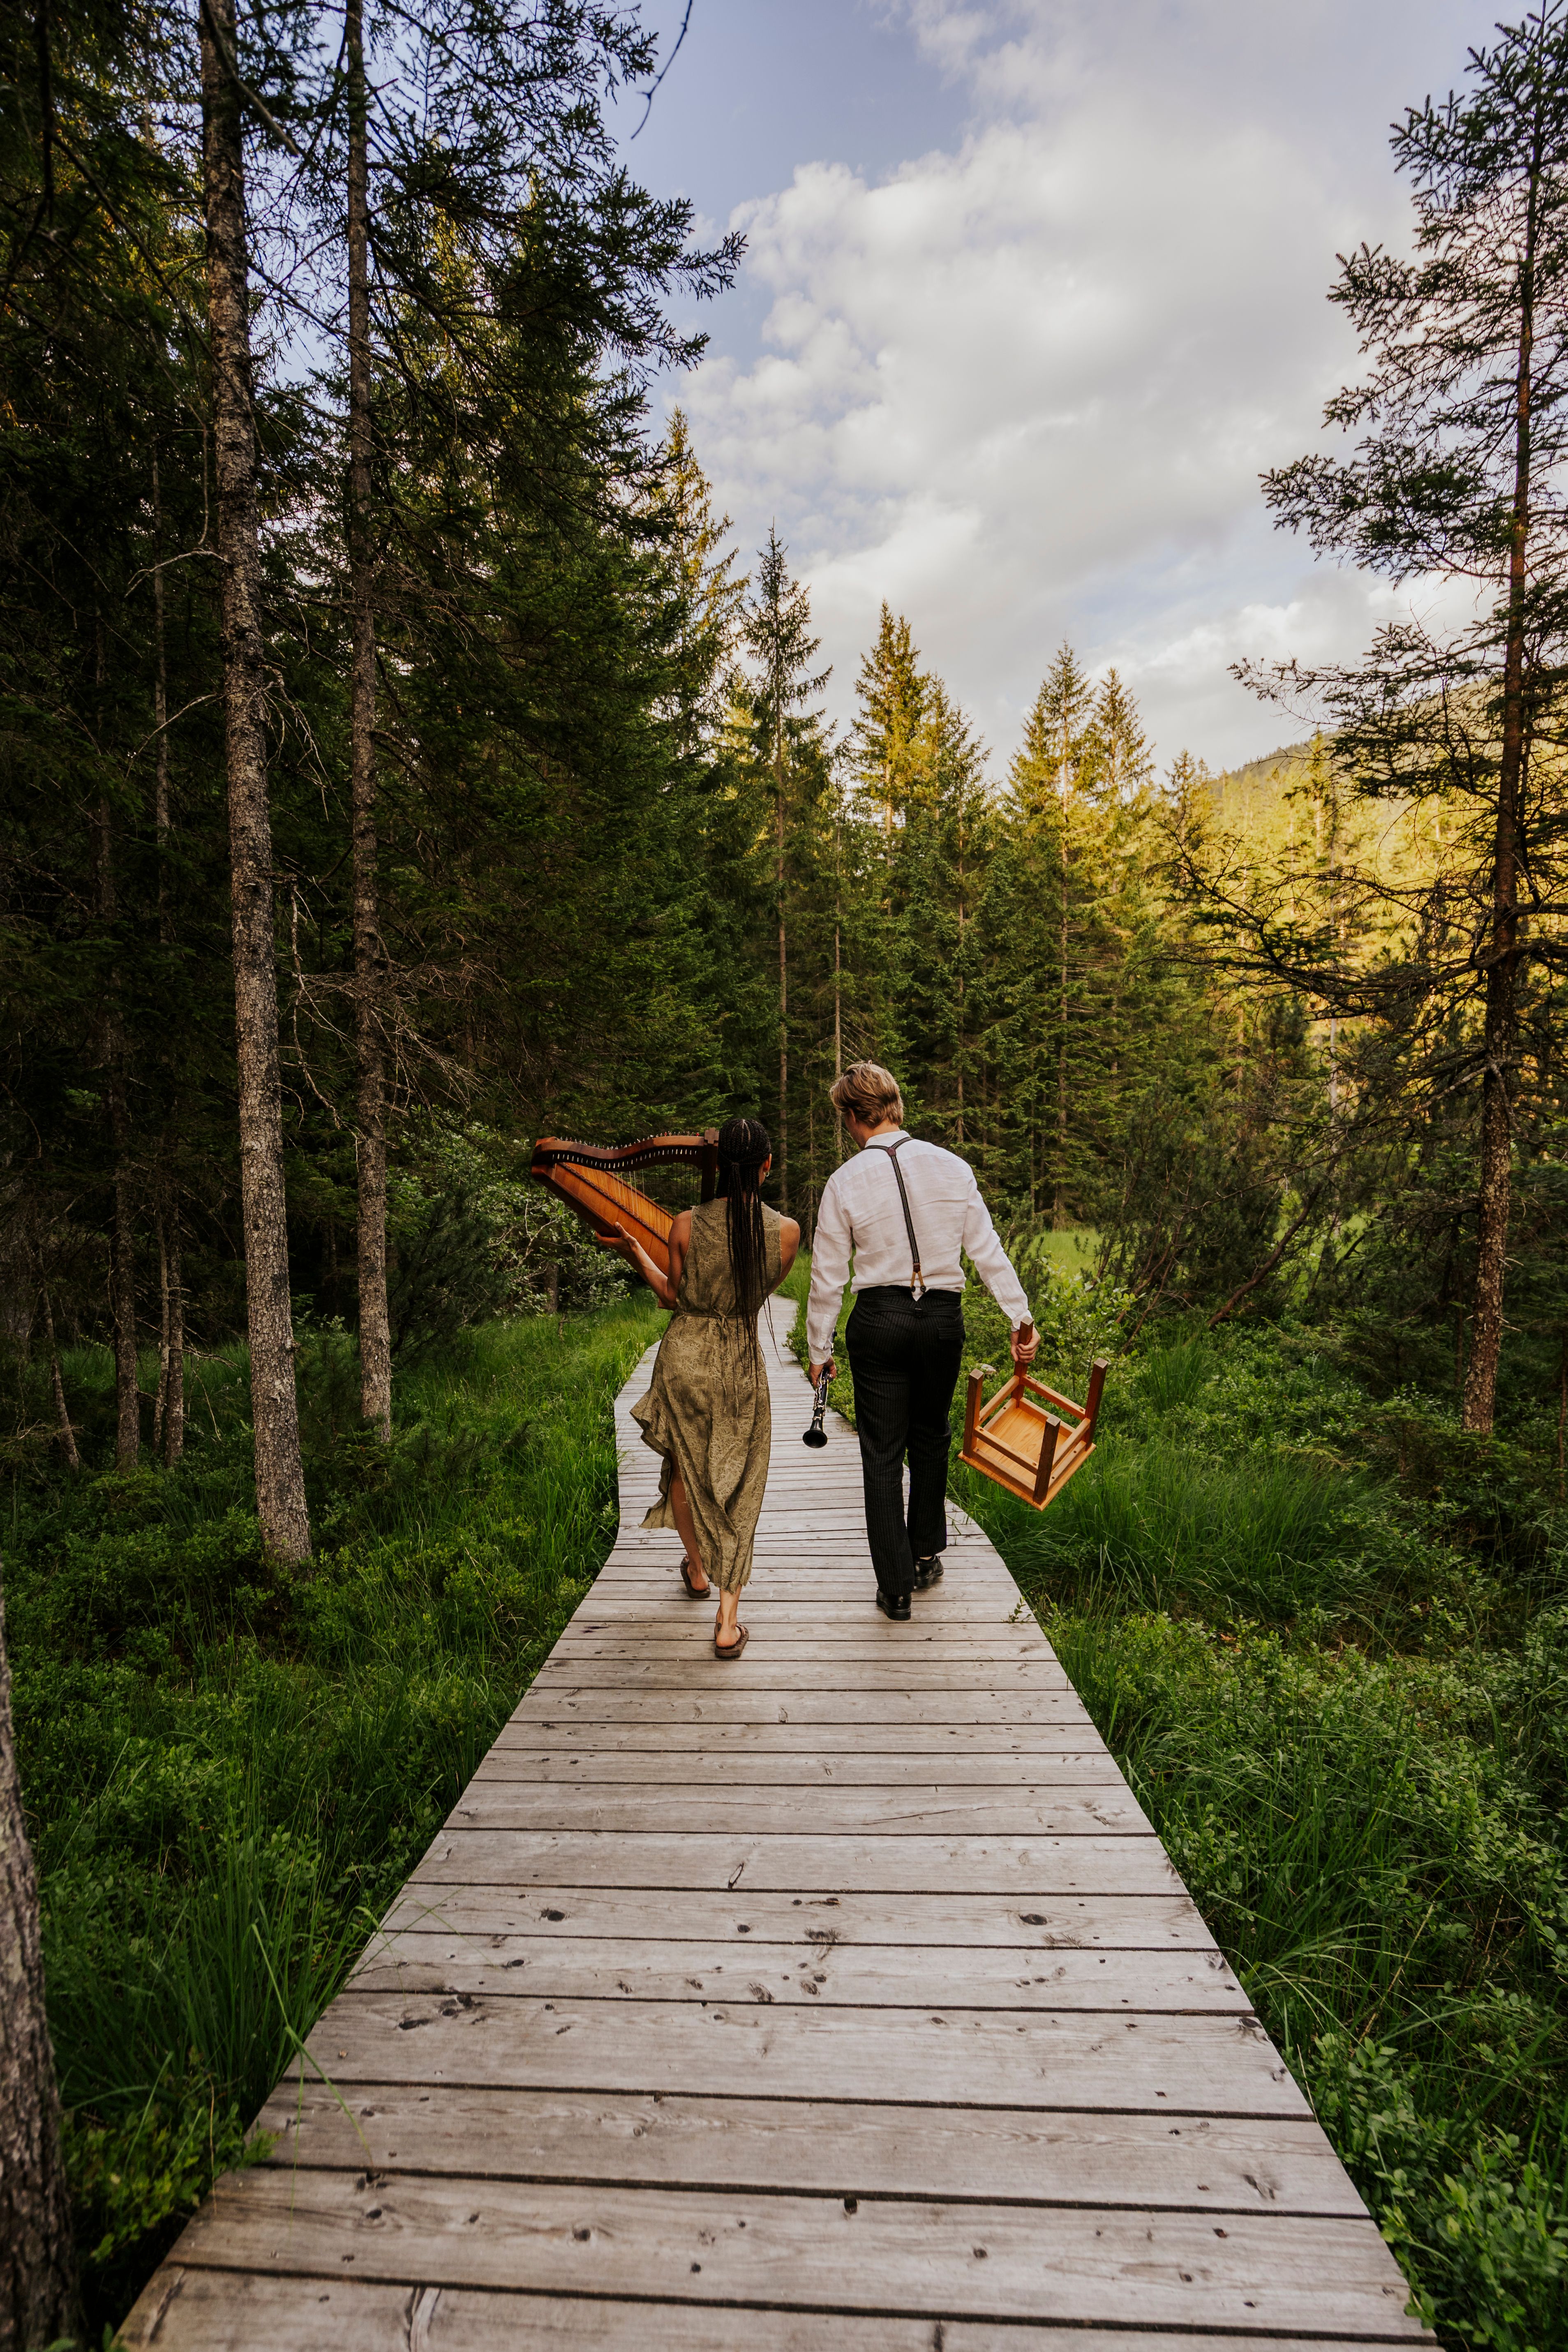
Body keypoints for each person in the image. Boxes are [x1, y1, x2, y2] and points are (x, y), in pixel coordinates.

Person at [806, 1062, 1037, 1620]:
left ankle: (895, 1588)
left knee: (882, 1452)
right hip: (940, 1320)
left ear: (853, 1117)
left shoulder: (844, 1181)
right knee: (931, 1436)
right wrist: (1020, 1318)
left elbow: (827, 1277)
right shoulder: (953, 1167)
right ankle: (926, 1555)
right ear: (896, 1105)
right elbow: (987, 1251)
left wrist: (819, 1351)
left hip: (879, 1322)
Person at [598, 1116, 799, 1659]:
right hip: (739, 1362)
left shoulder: (686, 1224)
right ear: (766, 1165)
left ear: (721, 1167)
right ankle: (727, 1622)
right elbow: (756, 1297)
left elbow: (671, 1296)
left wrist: (636, 1250)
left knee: (687, 1470)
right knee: (741, 1482)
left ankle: (697, 1567)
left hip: (684, 1359)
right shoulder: (787, 1232)